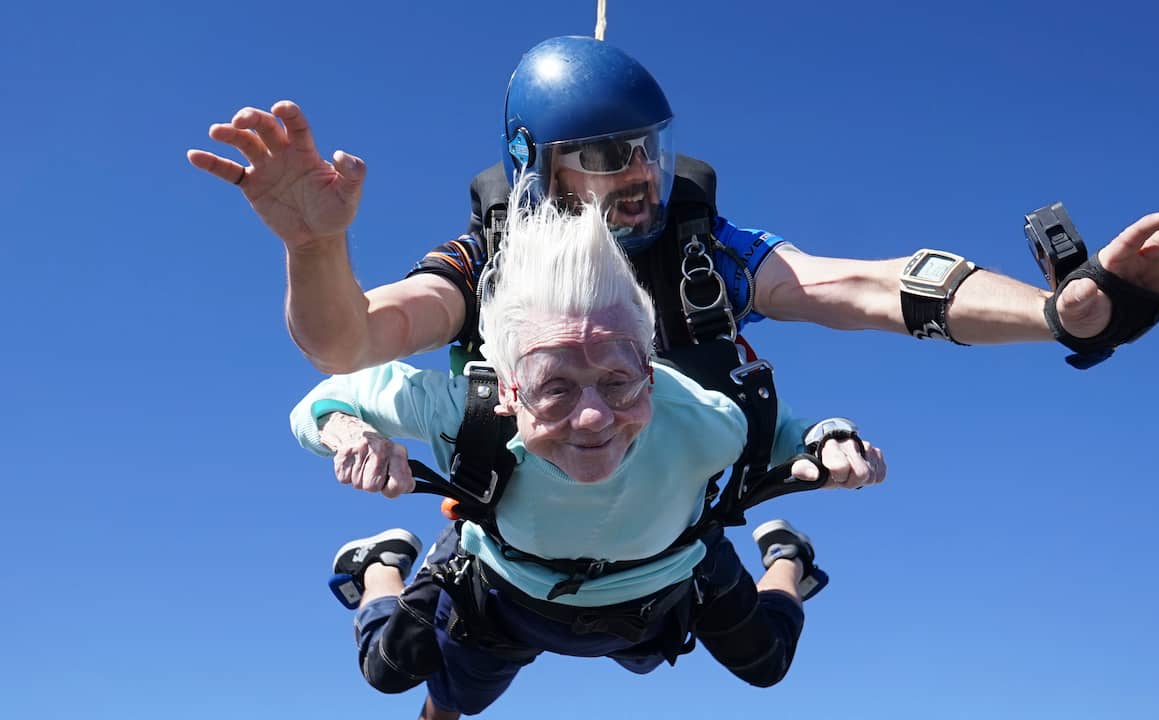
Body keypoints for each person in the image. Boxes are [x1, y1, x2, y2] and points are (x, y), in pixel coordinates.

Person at [188, 35, 1159, 392]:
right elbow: (348, 343)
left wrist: (1064, 314)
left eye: (645, 150)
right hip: (521, 521)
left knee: (738, 647)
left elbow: (876, 287)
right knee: (458, 654)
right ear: (535, 170)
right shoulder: (488, 254)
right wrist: (318, 249)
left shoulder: (704, 249)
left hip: (668, 531)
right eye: (603, 157)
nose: (637, 178)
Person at [289, 186, 885, 718]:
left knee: (767, 663)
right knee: (394, 674)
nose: (595, 417)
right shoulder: (463, 411)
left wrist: (831, 438)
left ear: (650, 374)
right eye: (555, 388)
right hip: (507, 592)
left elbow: (781, 428)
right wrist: (352, 434)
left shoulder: (704, 416)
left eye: (619, 380)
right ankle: (381, 564)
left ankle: (788, 560)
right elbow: (322, 401)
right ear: (507, 392)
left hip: (666, 583)